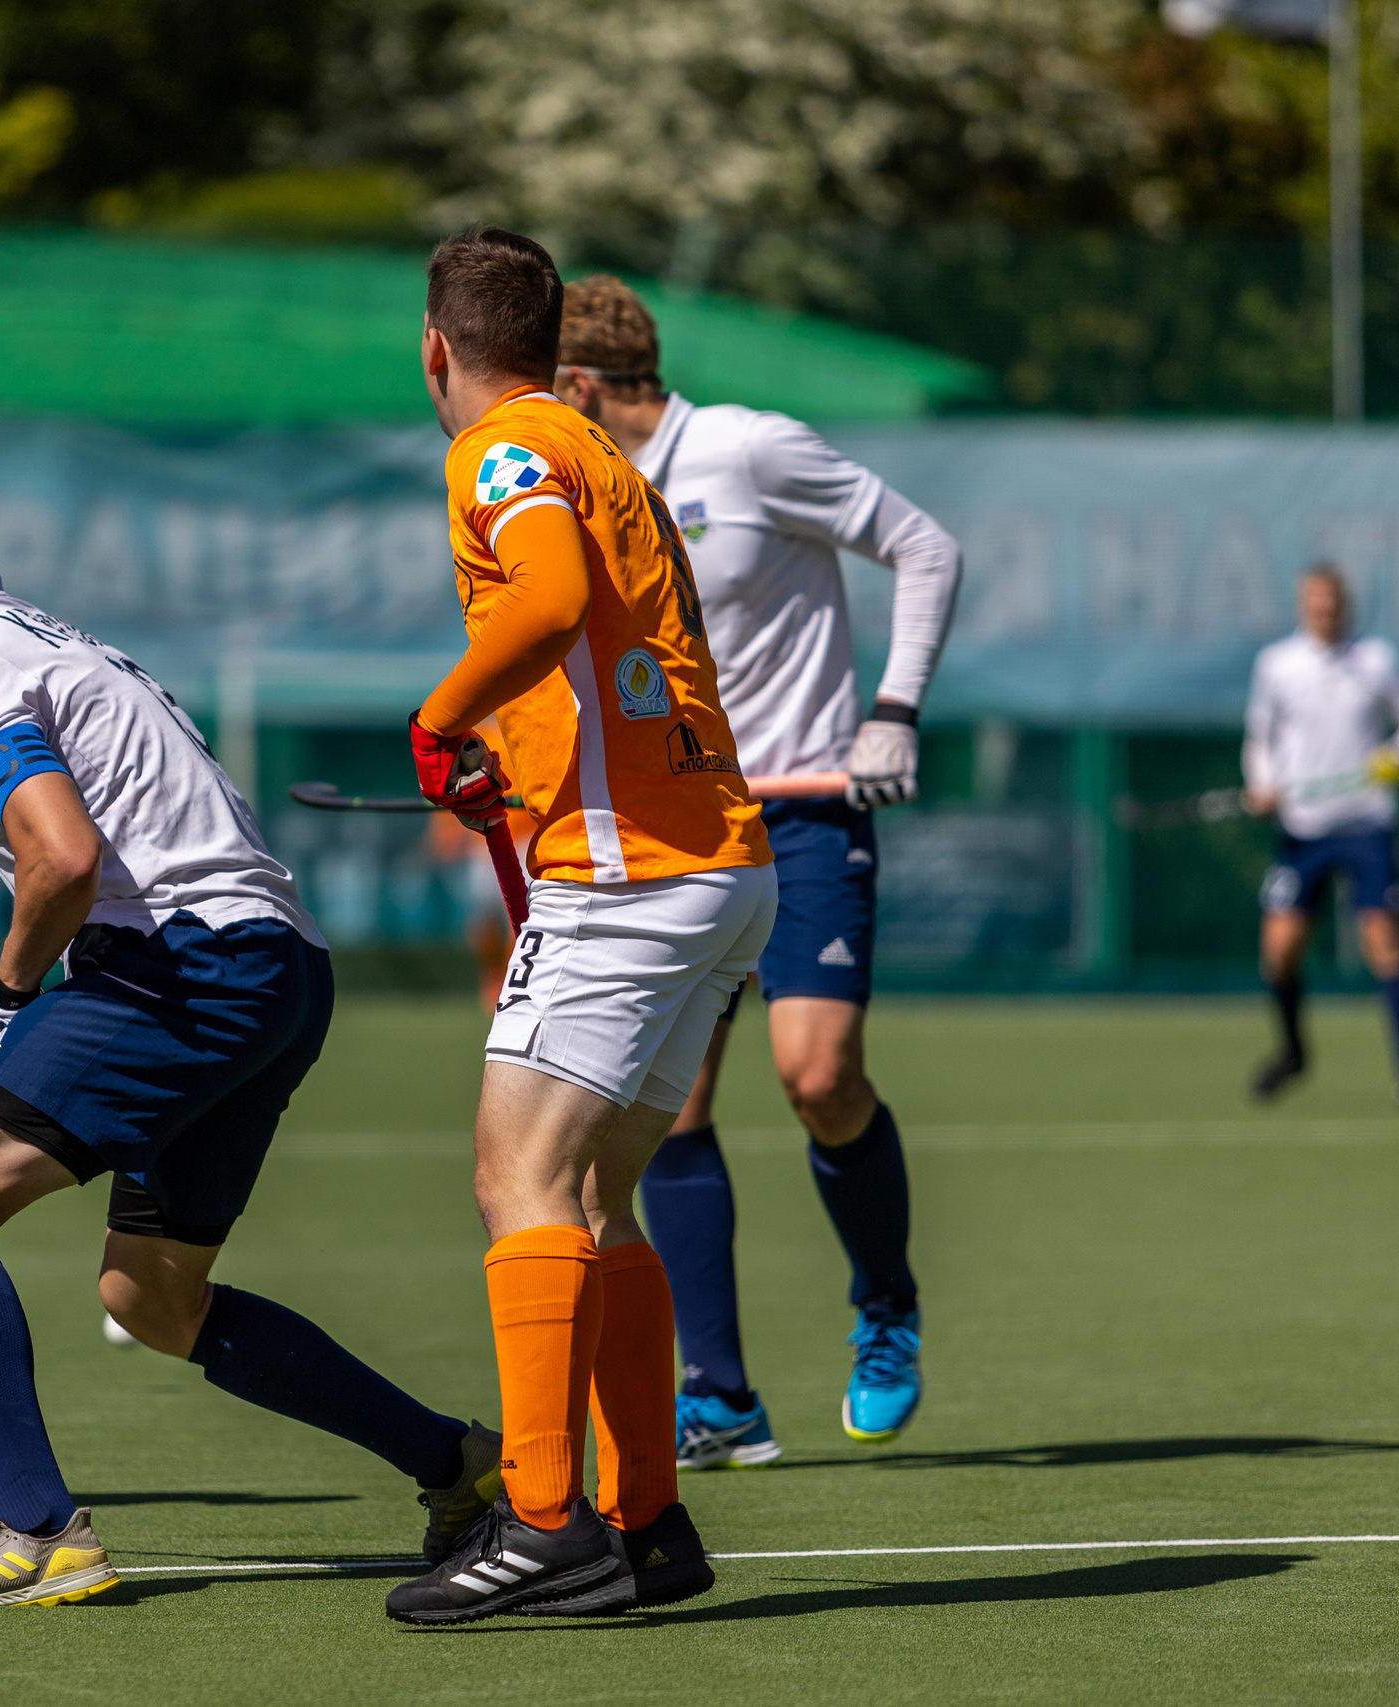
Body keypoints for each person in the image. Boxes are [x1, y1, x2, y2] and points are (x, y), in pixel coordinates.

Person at [0, 442, 503, 1611]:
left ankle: (38, 1530)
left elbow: (62, 855)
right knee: (152, 1298)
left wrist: (10, 992)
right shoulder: (60, 637)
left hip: (184, 964)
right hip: (279, 968)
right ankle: (452, 1465)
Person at [382, 229, 775, 1627]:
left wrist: (439, 713)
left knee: (518, 1176)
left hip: (633, 876)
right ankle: (651, 1519)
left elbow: (546, 602)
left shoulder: (500, 452)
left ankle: (549, 1519)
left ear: (437, 347)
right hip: (713, 861)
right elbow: (602, 645)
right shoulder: (603, 445)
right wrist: (516, 743)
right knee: (601, 1191)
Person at [549, 276, 964, 1464]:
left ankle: (885, 1310)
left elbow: (924, 548)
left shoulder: (747, 450)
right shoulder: (584, 497)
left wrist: (894, 710)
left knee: (819, 1076)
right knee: (668, 1107)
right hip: (682, 831)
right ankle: (720, 1396)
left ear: (581, 386)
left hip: (806, 820)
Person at [1243, 563, 1399, 1106]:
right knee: (1279, 951)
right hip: (1303, 827)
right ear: (1304, 606)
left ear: (1346, 605)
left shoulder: (1375, 660)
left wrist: (1397, 758)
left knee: (1384, 940)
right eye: (1316, 602)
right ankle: (1294, 1052)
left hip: (1367, 821)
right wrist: (1261, 784)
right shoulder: (1277, 665)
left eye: (1333, 602)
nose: (1325, 611)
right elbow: (1261, 736)